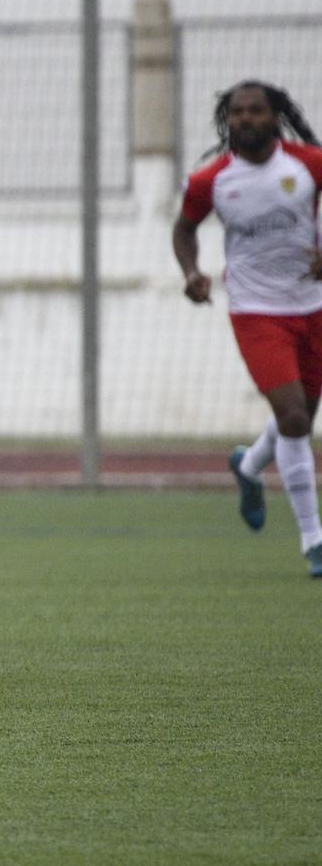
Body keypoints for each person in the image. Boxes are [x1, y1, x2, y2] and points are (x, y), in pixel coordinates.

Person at [174, 80, 322, 576]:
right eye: (236, 112)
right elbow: (184, 229)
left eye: (256, 110)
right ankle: (313, 542)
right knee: (296, 419)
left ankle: (251, 464)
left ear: (274, 116)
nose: (245, 119)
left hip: (314, 307)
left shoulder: (307, 165)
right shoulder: (212, 180)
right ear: (227, 119)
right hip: (256, 311)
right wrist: (192, 273)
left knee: (297, 418)